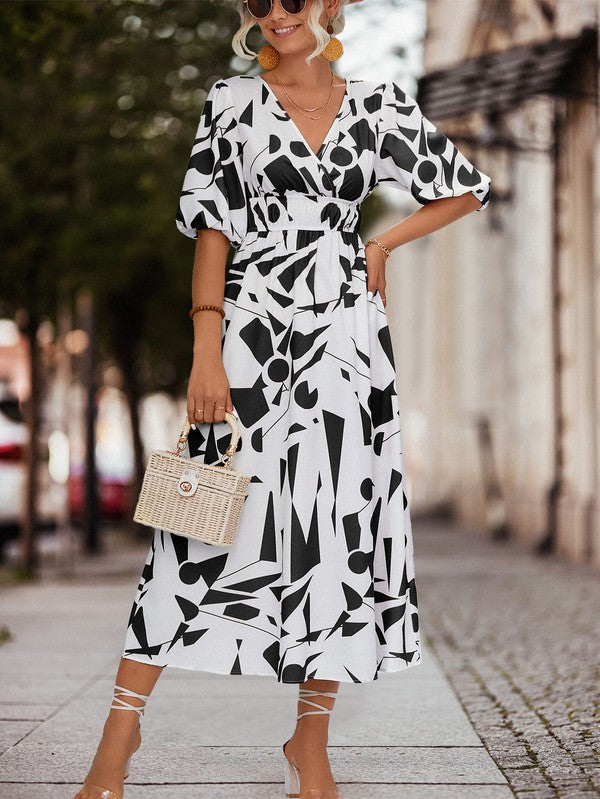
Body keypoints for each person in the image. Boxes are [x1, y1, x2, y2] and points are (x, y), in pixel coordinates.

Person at [75, 1, 491, 797]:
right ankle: (119, 731)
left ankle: (310, 743)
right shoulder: (229, 103)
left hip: (347, 346)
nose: (275, 13)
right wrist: (205, 350)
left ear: (327, 6)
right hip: (248, 338)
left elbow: (463, 190)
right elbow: (212, 233)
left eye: (292, 0)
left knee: (335, 534)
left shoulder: (377, 106)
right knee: (195, 527)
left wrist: (380, 244)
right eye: (258, 2)